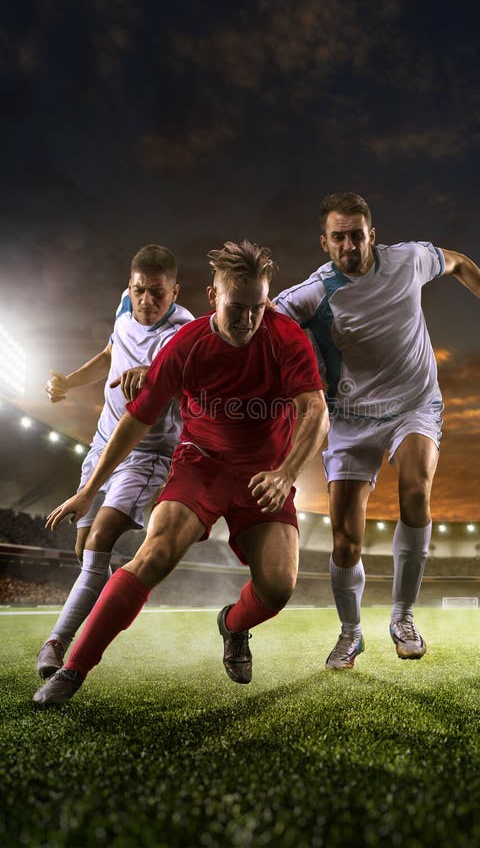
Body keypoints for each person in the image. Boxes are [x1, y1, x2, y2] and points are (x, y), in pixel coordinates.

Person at [34, 240, 328, 706]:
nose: (249, 319)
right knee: (154, 554)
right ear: (213, 298)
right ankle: (72, 671)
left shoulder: (285, 337)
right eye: (238, 307)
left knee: (278, 586)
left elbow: (316, 411)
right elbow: (136, 420)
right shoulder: (186, 346)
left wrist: (287, 472)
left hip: (264, 476)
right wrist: (89, 489)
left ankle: (232, 626)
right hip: (201, 467)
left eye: (259, 307)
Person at [274, 192, 480, 669]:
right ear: (325, 243)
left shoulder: (408, 259)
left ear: (373, 234)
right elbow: (260, 324)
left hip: (415, 404)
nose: (349, 245)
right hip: (350, 419)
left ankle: (403, 616)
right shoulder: (312, 293)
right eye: (339, 237)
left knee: (416, 490)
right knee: (344, 540)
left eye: (357, 234)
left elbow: (459, 263)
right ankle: (350, 634)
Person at [36, 244, 194, 679]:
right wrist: (69, 381)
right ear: (129, 286)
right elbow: (110, 354)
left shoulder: (183, 333)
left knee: (98, 538)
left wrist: (155, 373)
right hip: (101, 444)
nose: (147, 301)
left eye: (157, 293)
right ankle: (117, 600)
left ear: (175, 292)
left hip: (146, 453)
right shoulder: (124, 308)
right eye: (140, 290)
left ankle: (56, 646)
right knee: (85, 551)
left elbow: (191, 391)